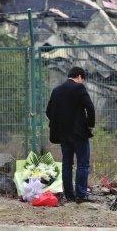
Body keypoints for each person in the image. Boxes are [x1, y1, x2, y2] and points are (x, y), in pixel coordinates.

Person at [46, 66, 95, 203]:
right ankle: (80, 195)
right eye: (82, 80)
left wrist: (59, 123)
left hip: (63, 135)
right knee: (82, 164)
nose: (82, 83)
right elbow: (90, 108)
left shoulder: (56, 91)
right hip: (79, 134)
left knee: (67, 164)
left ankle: (69, 195)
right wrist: (90, 125)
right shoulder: (79, 88)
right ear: (79, 77)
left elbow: (49, 111)